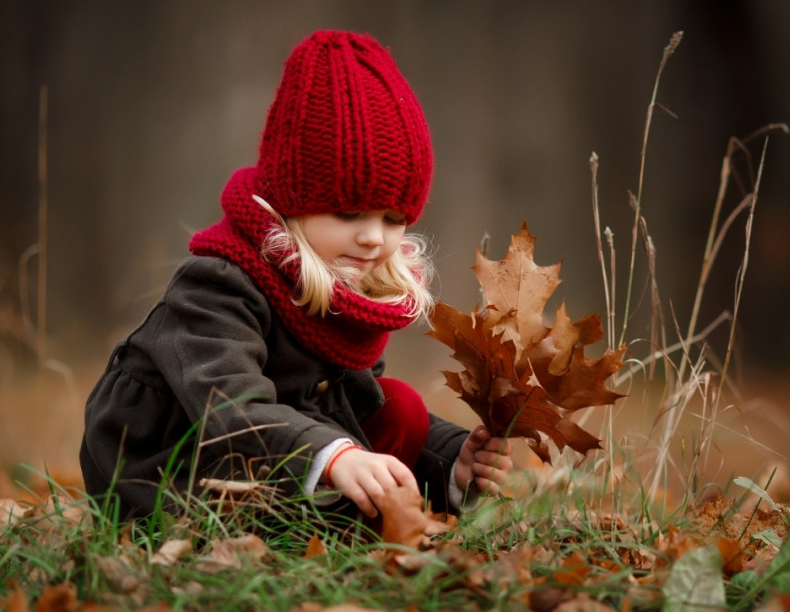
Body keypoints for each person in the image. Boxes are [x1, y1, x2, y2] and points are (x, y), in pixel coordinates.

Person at [80, 29, 511, 521]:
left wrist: (452, 460)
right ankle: (311, 521)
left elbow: (356, 404)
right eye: (349, 213)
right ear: (293, 205)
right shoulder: (217, 284)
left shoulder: (344, 283)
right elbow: (227, 405)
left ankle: (335, 522)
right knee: (321, 450)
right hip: (168, 469)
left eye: (393, 218)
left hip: (276, 456)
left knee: (399, 407)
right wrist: (333, 456)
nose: (373, 237)